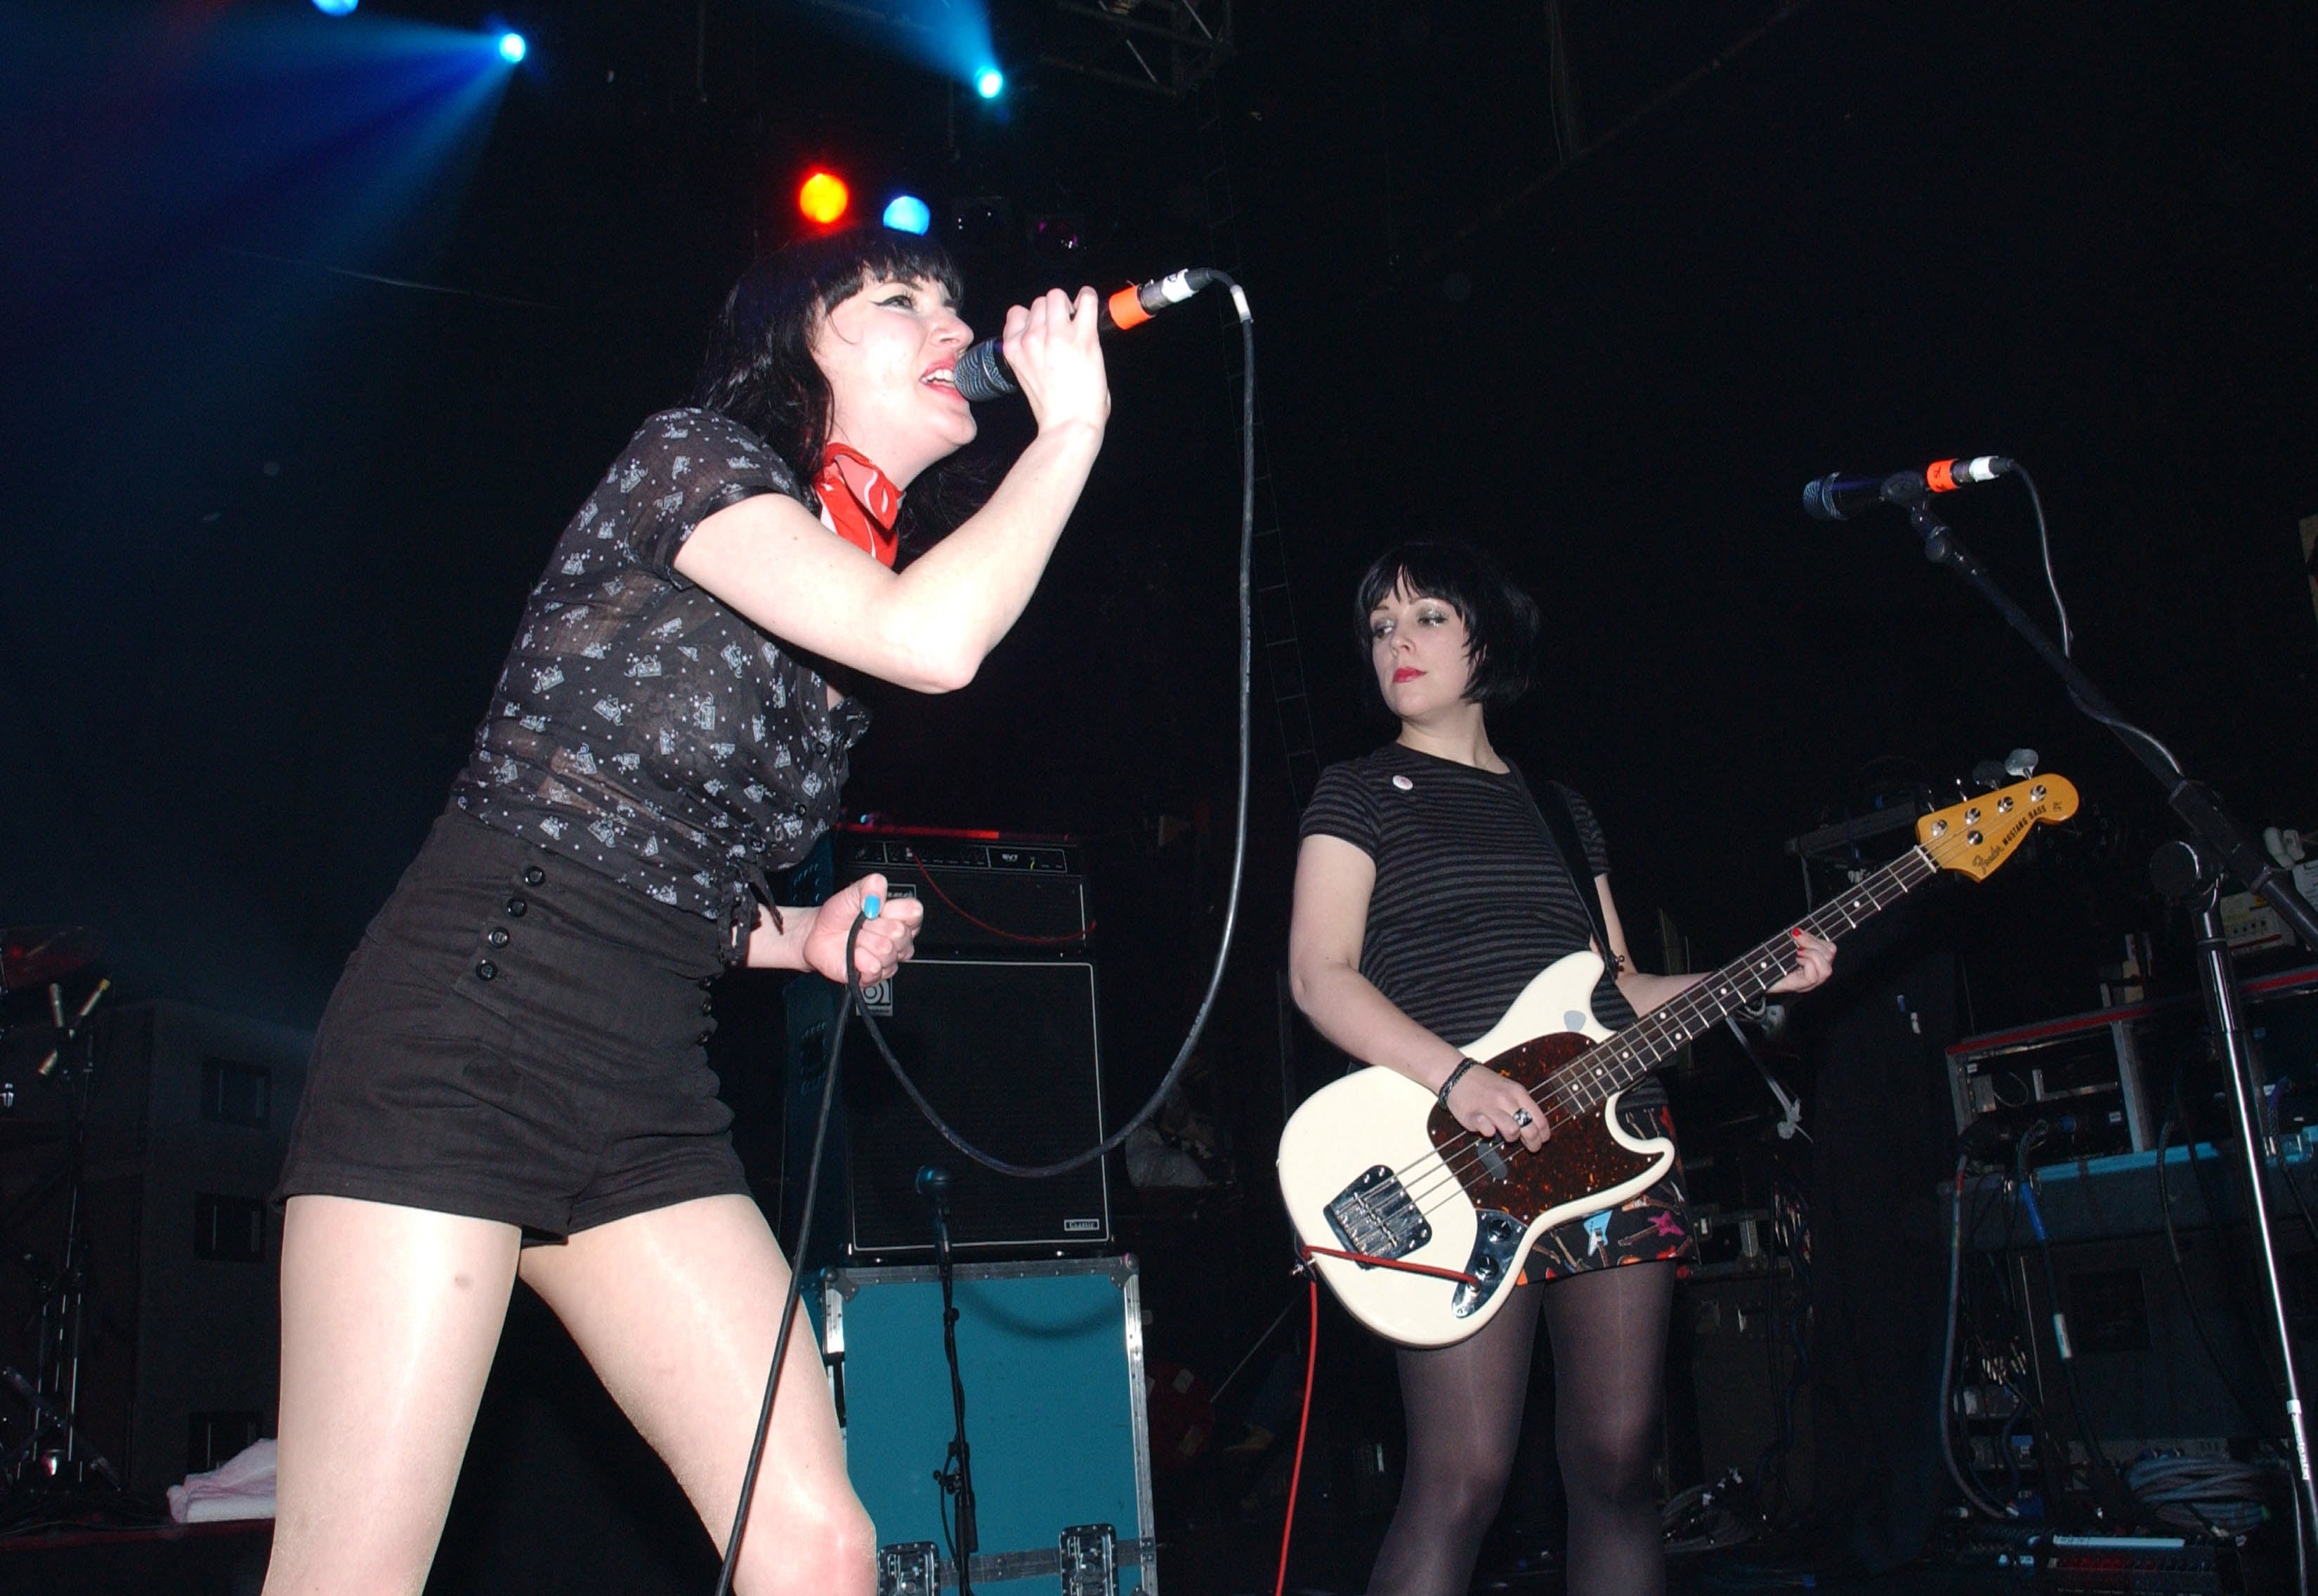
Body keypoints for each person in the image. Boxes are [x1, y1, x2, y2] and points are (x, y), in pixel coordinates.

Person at [264, 228, 1110, 1596]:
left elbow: (667, 863)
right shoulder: (695, 459)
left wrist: (800, 936)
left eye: (952, 299)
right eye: (896, 299)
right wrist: (1067, 429)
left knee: (820, 1545)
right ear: (796, 350)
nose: (947, 320)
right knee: (352, 1573)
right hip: (472, 1022)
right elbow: (933, 638)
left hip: (645, 1076)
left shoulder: (840, 585)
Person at [1286, 540, 1835, 1596]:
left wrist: (1757, 976)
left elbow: (1614, 987)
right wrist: (1457, 1079)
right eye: (1380, 627)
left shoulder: (1558, 808)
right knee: (1461, 1478)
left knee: (1621, 1465)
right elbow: (1321, 977)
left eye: (1428, 618)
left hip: (1615, 1145)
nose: (1398, 643)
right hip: (1449, 1156)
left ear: (1488, 639)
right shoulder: (1357, 794)